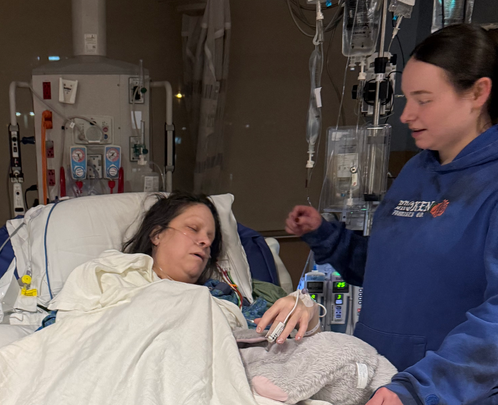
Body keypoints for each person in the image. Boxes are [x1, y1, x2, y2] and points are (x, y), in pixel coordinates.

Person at [262, 24, 498, 405]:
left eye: (424, 100)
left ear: (477, 93)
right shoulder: (417, 171)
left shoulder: (490, 184)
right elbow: (387, 267)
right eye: (406, 98)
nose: (406, 115)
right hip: (377, 379)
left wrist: (418, 388)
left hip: (438, 391)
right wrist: (327, 236)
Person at [123, 191, 321, 336]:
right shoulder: (118, 280)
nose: (205, 241)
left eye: (210, 238)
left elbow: (298, 351)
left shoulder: (224, 300)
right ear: (157, 235)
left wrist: (309, 316)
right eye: (193, 228)